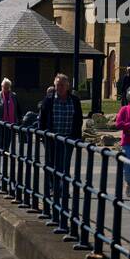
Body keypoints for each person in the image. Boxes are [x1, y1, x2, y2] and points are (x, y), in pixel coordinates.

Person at [37, 73, 82, 226]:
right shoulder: (48, 100)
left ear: (67, 86)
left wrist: (77, 137)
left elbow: (79, 119)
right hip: (52, 139)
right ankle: (53, 190)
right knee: (51, 165)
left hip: (68, 139)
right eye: (57, 85)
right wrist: (42, 134)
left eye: (62, 85)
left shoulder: (74, 101)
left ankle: (63, 190)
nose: (59, 87)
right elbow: (42, 118)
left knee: (64, 166)